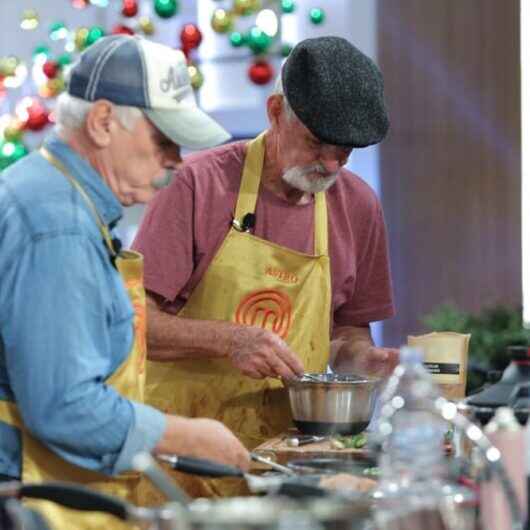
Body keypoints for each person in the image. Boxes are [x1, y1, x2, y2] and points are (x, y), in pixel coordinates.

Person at [132, 35, 399, 498]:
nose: (332, 164)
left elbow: (348, 333)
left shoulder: (358, 206)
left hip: (292, 469)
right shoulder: (199, 185)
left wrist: (365, 362)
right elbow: (131, 326)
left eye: (347, 151)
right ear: (275, 111)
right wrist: (229, 339)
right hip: (185, 461)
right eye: (317, 144)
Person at [0, 35, 249, 530]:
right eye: (164, 141)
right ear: (103, 122)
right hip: (27, 501)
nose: (177, 159)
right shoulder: (59, 224)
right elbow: (63, 405)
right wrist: (189, 436)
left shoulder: (55, 191)